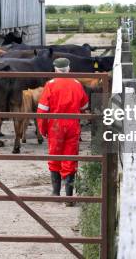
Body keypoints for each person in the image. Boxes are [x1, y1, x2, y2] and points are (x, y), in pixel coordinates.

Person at [37, 58, 89, 206]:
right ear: (69, 69)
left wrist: (43, 129)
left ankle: (55, 193)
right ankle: (69, 197)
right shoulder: (77, 84)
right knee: (70, 157)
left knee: (55, 156)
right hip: (72, 123)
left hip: (56, 125)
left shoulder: (50, 85)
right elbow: (85, 104)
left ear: (55, 70)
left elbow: (42, 110)